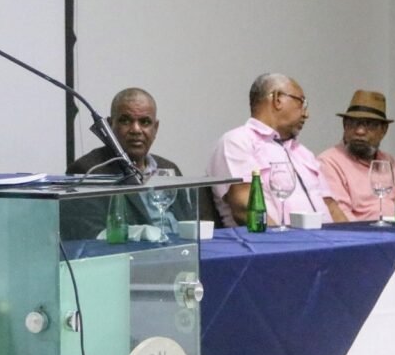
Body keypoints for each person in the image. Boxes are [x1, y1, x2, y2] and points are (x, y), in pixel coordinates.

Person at [60, 87, 218, 238]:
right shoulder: (88, 170)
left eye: (145, 122)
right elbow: (89, 235)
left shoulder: (168, 168)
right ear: (110, 125)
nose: (136, 130)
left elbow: (189, 221)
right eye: (125, 121)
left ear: (155, 128)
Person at [207, 73, 347, 227]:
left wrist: (353, 238)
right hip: (278, 240)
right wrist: (281, 241)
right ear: (277, 99)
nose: (306, 114)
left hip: (327, 238)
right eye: (302, 102)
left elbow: (331, 206)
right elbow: (246, 207)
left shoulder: (303, 153)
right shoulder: (237, 142)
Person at [318, 90, 395, 221]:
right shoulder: (329, 162)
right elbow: (340, 217)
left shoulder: (392, 164)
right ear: (344, 125)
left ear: (384, 130)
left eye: (369, 124)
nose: (360, 131)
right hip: (362, 232)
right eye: (353, 123)